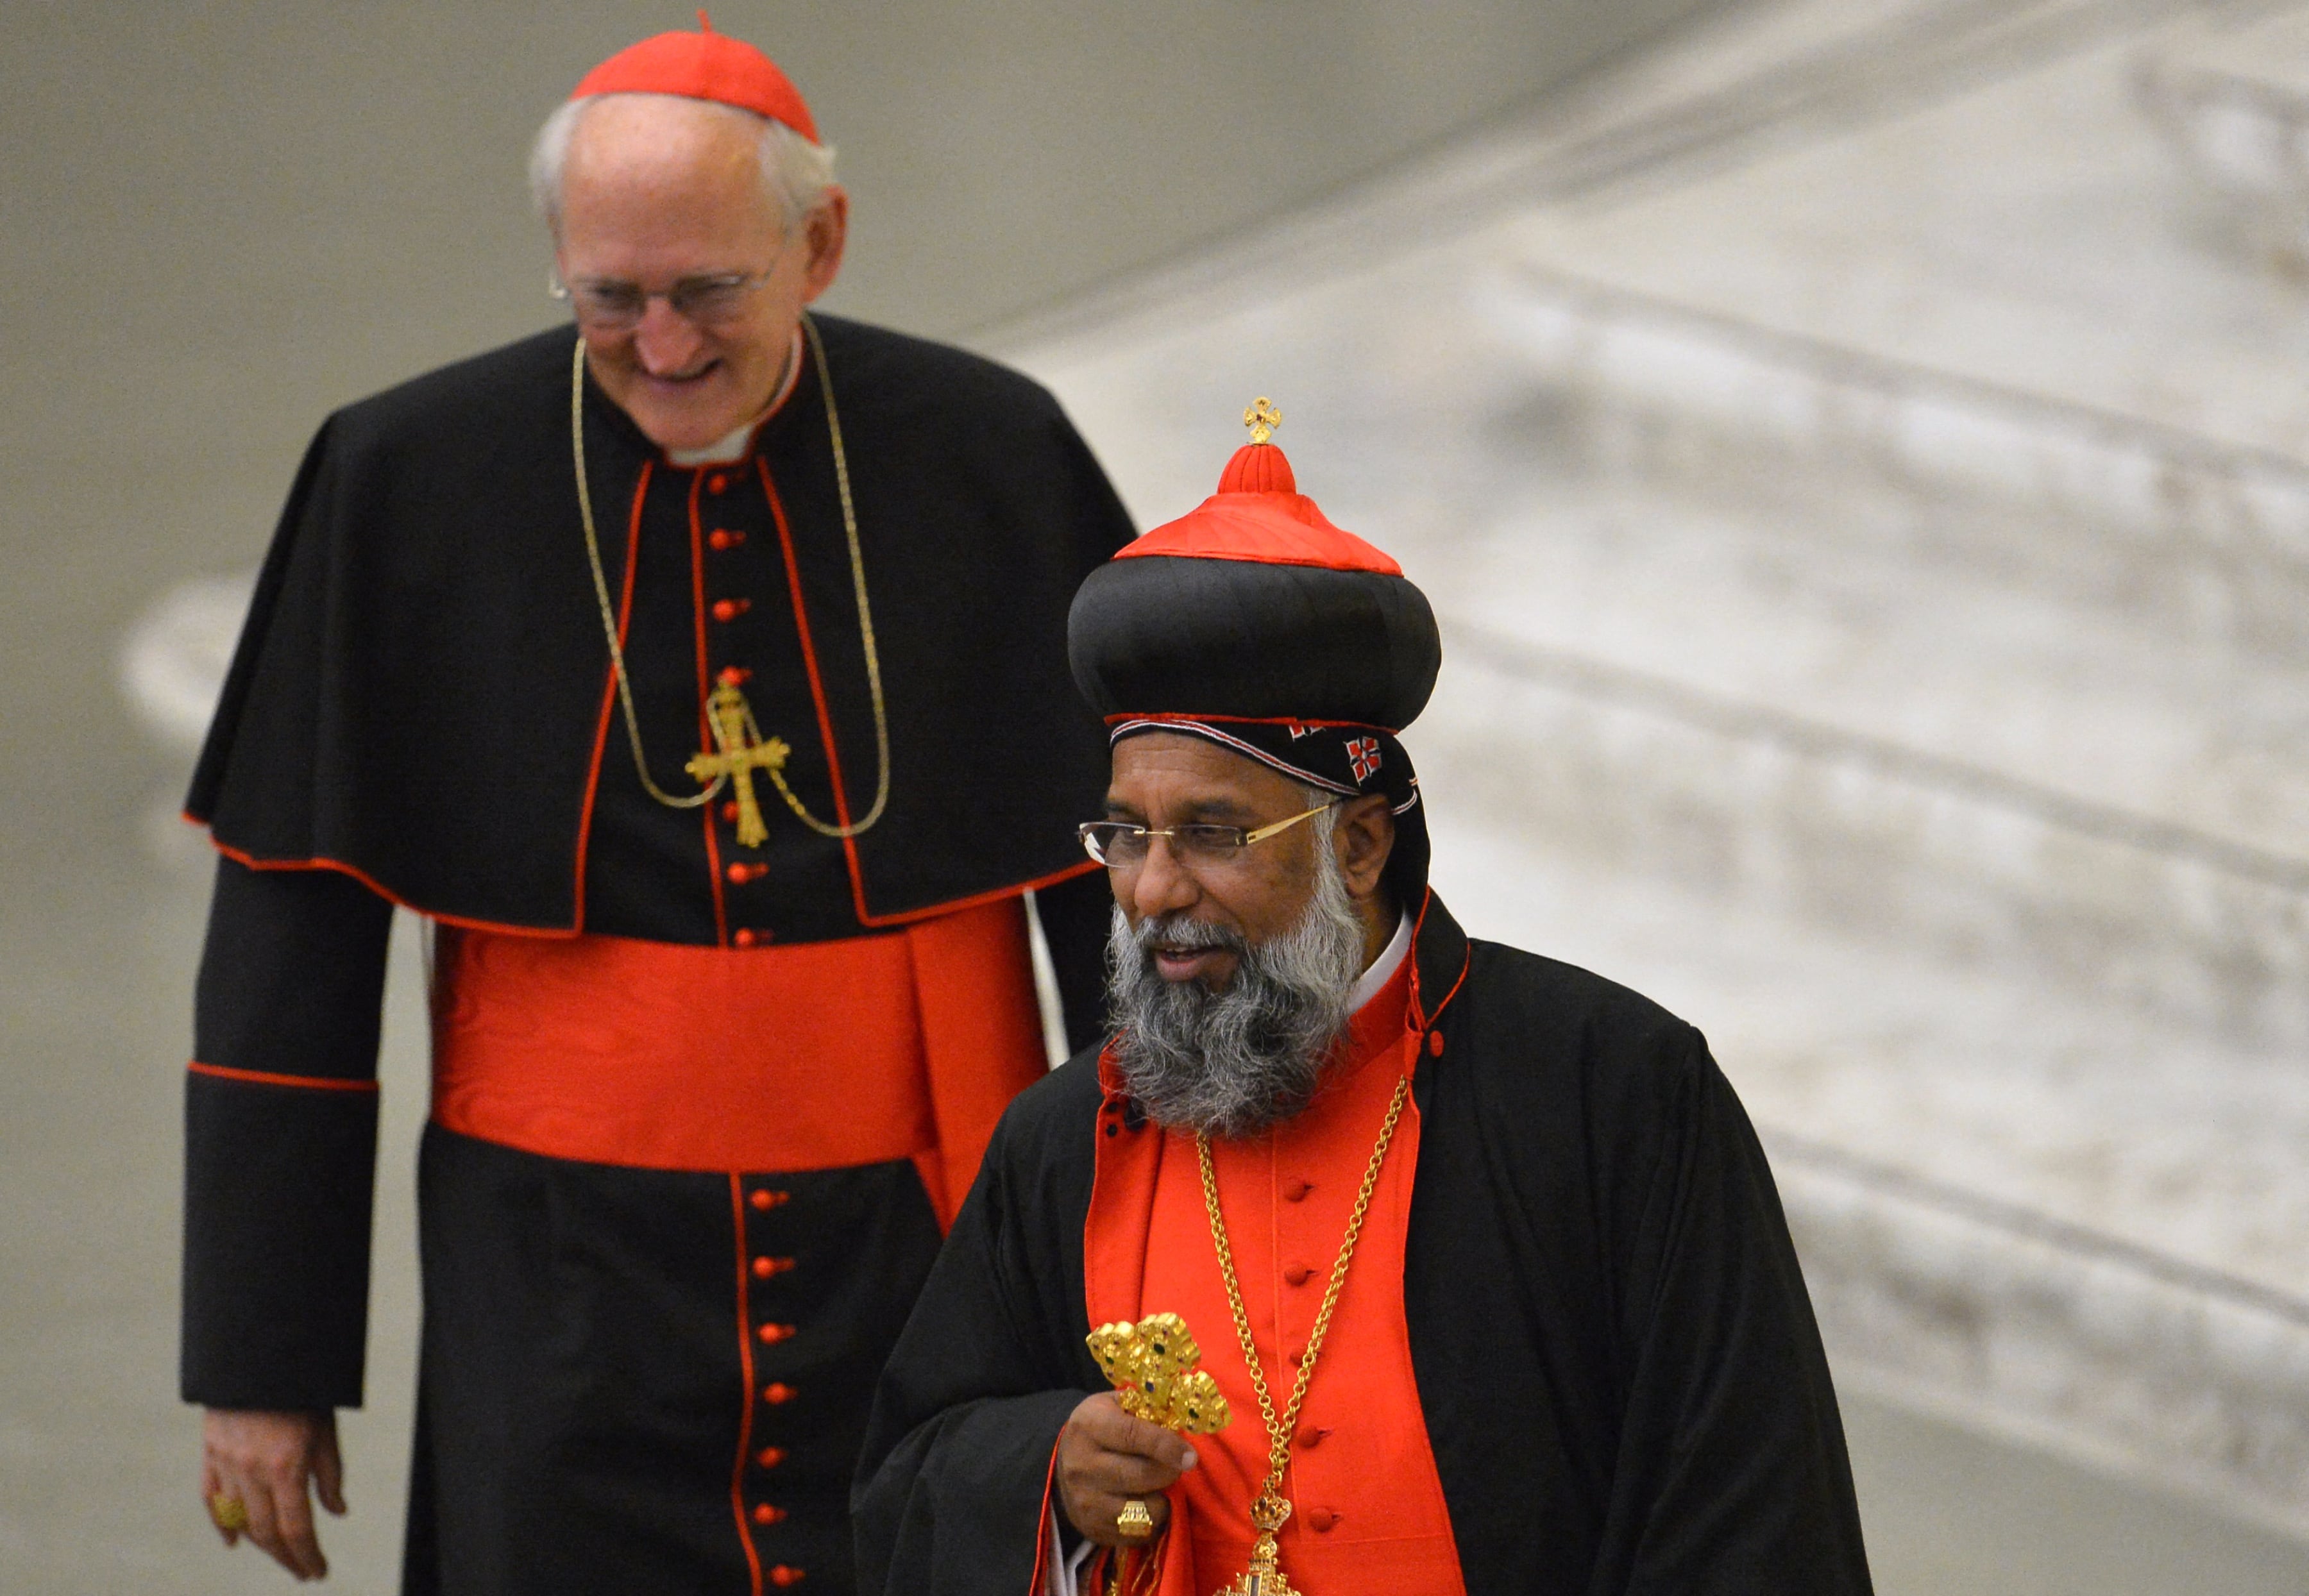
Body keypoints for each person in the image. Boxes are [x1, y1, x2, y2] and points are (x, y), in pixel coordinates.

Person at [180, 22, 1132, 1594]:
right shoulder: (401, 477)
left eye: (710, 291)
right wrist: (262, 1369)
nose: (664, 344)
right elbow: (288, 956)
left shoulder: (991, 454)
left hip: (927, 1260)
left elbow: (1130, 907)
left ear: (818, 244)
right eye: (609, 298)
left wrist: (1168, 1281)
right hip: (555, 1295)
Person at [853, 410, 1875, 1595]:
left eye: (1213, 833)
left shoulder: (1612, 1091)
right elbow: (907, 1478)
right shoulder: (1064, 1142)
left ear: (1360, 842)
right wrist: (1051, 1477)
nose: (1153, 887)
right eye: (1126, 834)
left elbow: (1745, 1515)